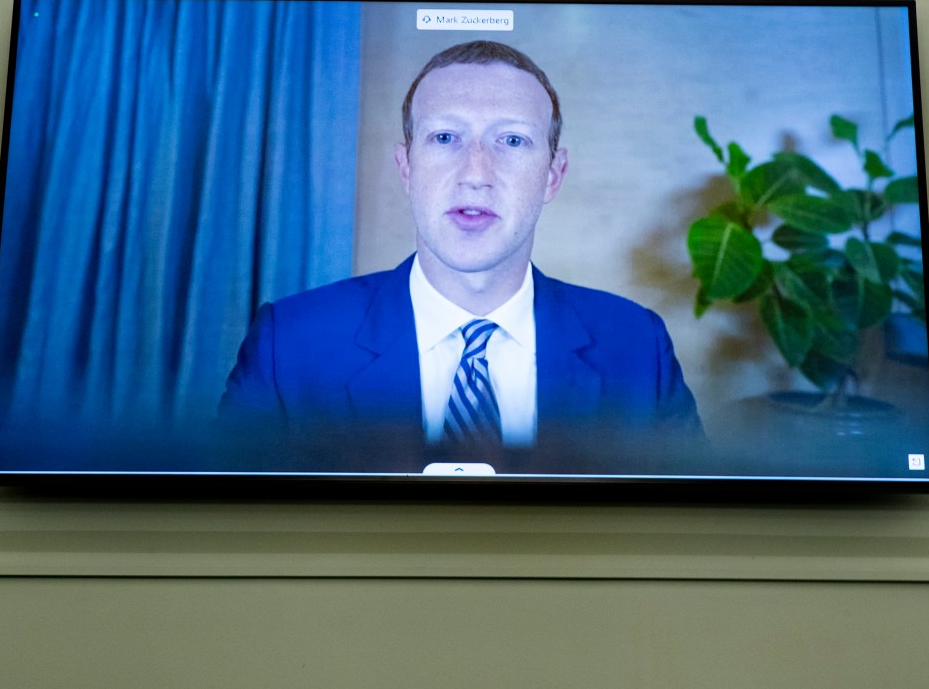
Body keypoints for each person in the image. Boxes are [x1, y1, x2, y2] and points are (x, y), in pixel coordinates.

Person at [218, 40, 703, 474]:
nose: (475, 174)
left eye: (511, 140)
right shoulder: (288, 345)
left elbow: (685, 530)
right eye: (445, 137)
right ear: (406, 167)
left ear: (553, 175)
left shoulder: (638, 348)